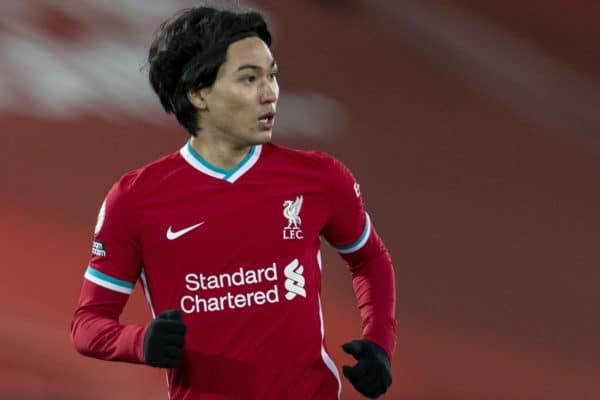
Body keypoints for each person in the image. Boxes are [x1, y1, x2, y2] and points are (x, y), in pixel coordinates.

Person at [70, 4, 396, 400]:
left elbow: (369, 258)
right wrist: (140, 343)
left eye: (272, 75)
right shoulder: (135, 200)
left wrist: (380, 342)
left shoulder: (320, 178)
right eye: (249, 78)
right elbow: (88, 324)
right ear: (199, 92)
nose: (270, 93)